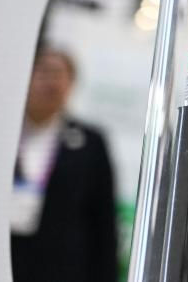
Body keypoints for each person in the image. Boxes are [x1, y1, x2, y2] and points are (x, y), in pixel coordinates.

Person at [10, 47, 118, 282]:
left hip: (62, 267)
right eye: (43, 72)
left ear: (70, 85)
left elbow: (103, 220)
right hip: (5, 257)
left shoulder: (90, 142)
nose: (50, 82)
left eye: (58, 74)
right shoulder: (3, 135)